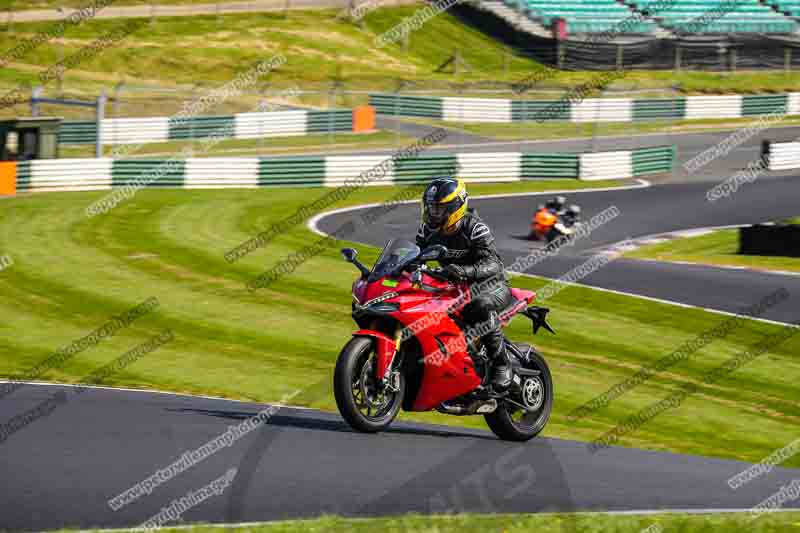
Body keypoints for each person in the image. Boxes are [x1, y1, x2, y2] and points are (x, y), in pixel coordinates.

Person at [416, 177, 514, 392]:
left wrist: (465, 271)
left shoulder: (475, 228)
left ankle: (502, 365)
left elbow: (494, 263)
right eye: (431, 208)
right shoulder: (427, 230)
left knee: (479, 305)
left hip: (491, 285)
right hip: (454, 286)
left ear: (456, 207)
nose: (434, 214)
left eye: (440, 209)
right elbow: (414, 256)